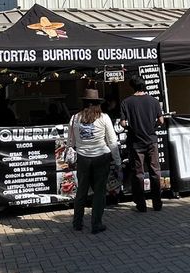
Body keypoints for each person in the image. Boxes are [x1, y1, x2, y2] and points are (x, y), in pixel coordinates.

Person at [68, 89, 120, 233]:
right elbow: (112, 141)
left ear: (84, 103)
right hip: (101, 158)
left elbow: (70, 142)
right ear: (98, 103)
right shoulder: (104, 118)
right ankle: (96, 224)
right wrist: (117, 161)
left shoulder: (74, 118)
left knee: (81, 192)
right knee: (99, 192)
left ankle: (77, 223)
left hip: (83, 159)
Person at [120, 77, 165, 212]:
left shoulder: (126, 102)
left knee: (138, 173)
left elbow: (123, 123)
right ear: (144, 85)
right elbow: (161, 120)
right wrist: (152, 126)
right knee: (155, 172)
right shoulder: (154, 101)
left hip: (135, 142)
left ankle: (141, 205)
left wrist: (131, 128)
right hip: (151, 140)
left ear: (132, 86)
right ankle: (157, 203)